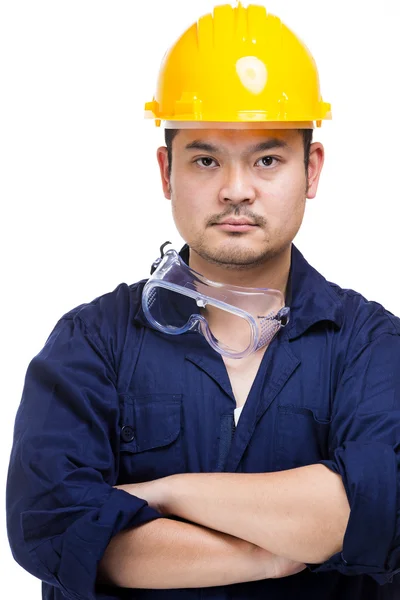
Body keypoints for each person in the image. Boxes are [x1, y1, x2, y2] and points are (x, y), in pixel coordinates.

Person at [6, 2, 400, 599]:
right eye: (205, 159)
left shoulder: (374, 345)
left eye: (267, 159)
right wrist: (273, 554)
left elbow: (370, 510)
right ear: (166, 172)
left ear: (311, 170)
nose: (236, 189)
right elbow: (52, 527)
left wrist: (165, 492)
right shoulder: (93, 341)